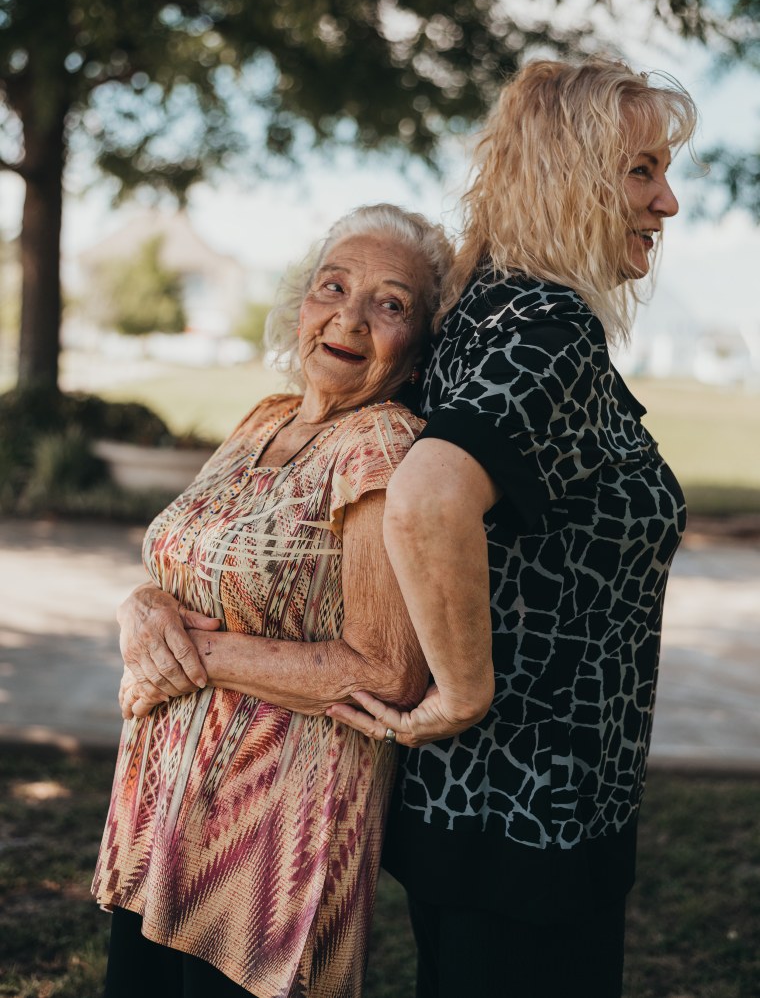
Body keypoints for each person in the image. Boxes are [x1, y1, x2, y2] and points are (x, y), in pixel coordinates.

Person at [327, 58, 699, 998]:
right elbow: (426, 499)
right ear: (567, 175)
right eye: (642, 170)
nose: (668, 203)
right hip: (537, 813)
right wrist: (459, 695)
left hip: (487, 811)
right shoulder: (544, 325)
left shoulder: (483, 307)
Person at [92, 203, 452, 998]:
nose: (350, 317)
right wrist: (140, 611)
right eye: (333, 286)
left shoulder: (383, 447)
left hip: (274, 844)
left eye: (390, 303)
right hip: (165, 815)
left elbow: (387, 671)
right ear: (302, 303)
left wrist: (187, 662)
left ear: (421, 339)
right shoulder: (265, 418)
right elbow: (187, 561)